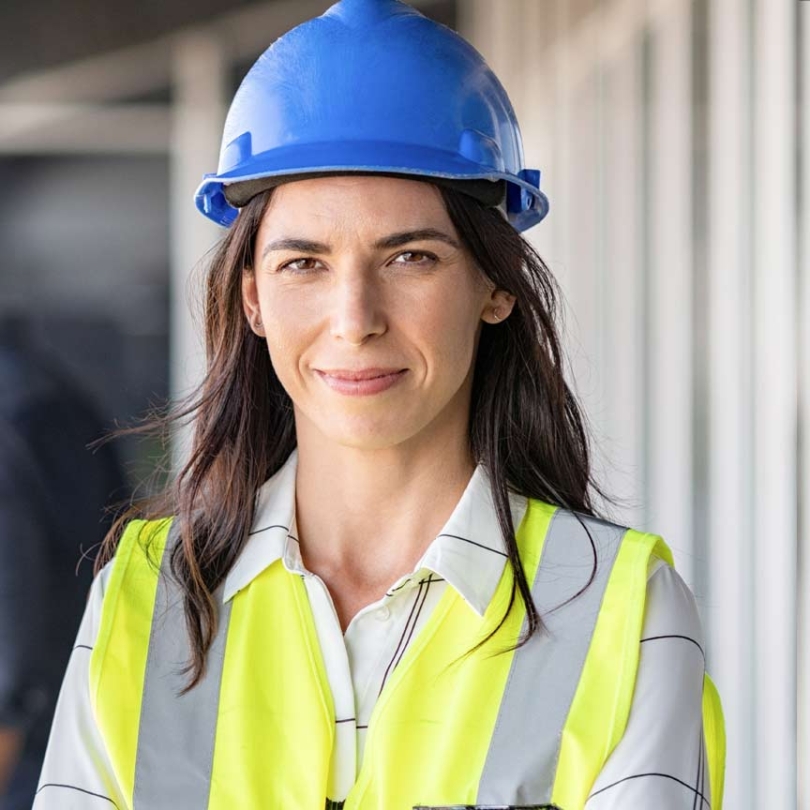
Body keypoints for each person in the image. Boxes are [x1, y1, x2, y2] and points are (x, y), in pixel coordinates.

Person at [35, 1, 726, 808]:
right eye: (304, 264)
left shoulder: (623, 611)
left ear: (495, 283)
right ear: (252, 299)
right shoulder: (144, 601)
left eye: (409, 257)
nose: (355, 320)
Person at [0, 315, 126, 810]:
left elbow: (12, 593)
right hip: (85, 706)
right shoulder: (51, 395)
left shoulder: (16, 410)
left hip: (29, 740)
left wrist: (11, 715)